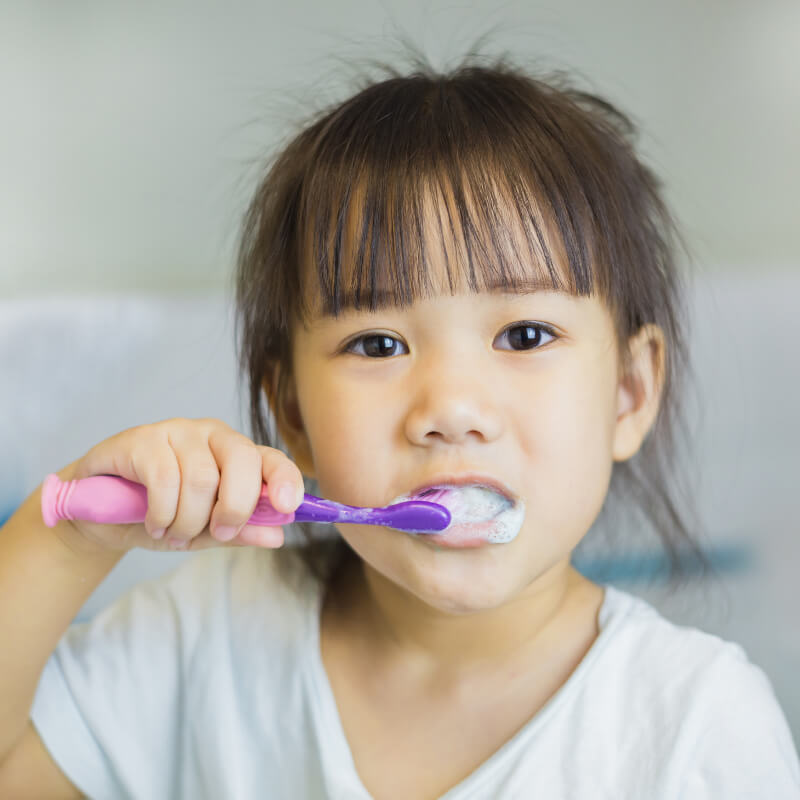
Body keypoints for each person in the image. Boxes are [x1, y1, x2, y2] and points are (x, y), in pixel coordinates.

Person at [1, 50, 798, 799]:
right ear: (294, 417)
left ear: (627, 393)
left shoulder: (697, 731)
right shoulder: (206, 634)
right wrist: (65, 536)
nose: (449, 409)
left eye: (524, 336)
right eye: (377, 343)